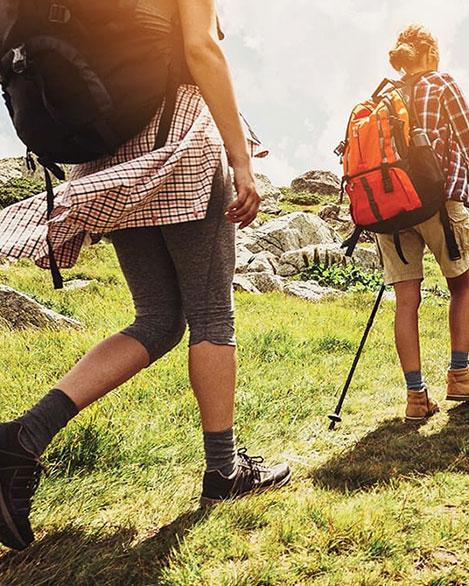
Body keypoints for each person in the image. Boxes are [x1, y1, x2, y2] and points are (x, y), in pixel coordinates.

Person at [0, 0, 289, 552]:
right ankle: (223, 473)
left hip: (108, 163)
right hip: (177, 141)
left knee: (157, 319)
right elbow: (202, 48)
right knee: (210, 314)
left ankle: (23, 436)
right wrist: (242, 161)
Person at [380, 25, 469, 421]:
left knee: (405, 301)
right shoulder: (441, 83)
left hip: (392, 208)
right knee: (461, 286)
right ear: (430, 53)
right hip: (437, 201)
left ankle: (416, 396)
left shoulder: (385, 94)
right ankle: (459, 377)